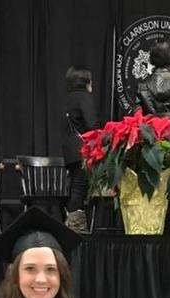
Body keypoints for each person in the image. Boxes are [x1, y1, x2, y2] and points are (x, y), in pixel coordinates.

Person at [62, 65, 100, 235]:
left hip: (69, 150)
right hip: (83, 149)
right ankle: (75, 228)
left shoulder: (68, 98)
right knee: (80, 188)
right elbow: (92, 124)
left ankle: (72, 225)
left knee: (76, 187)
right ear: (86, 81)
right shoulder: (84, 97)